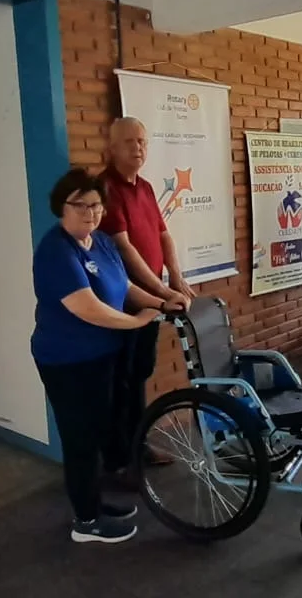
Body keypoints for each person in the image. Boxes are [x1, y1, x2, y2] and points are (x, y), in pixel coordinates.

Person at [31, 167, 187, 545]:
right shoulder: (56, 250)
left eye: (96, 205)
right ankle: (86, 522)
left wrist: (162, 301)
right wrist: (136, 323)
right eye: (80, 205)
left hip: (103, 355)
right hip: (68, 361)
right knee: (80, 439)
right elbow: (87, 308)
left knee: (100, 430)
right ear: (61, 207)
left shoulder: (100, 241)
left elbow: (125, 286)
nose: (91, 213)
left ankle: (94, 503)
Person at [99, 116, 192, 481]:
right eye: (129, 142)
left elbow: (163, 235)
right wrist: (163, 291)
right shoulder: (106, 188)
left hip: (150, 300)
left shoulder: (147, 187)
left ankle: (138, 445)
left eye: (142, 141)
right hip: (122, 302)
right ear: (112, 148)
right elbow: (123, 248)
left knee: (139, 373)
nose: (138, 148)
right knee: (120, 380)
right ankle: (118, 460)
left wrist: (176, 278)